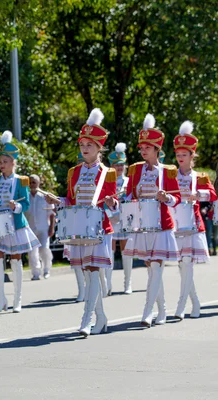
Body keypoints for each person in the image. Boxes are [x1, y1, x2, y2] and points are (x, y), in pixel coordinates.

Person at [46, 109, 117, 337]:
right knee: (87, 272)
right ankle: (102, 317)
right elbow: (70, 199)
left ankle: (86, 319)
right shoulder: (73, 172)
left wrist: (110, 202)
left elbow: (114, 204)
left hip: (98, 228)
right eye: (82, 144)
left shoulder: (108, 173)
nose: (84, 148)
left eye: (89, 144)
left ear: (99, 147)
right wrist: (58, 200)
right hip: (78, 227)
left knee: (93, 270)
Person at [123, 114, 180, 327]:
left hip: (161, 225)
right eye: (141, 147)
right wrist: (123, 200)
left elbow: (177, 199)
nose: (143, 150)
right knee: (151, 267)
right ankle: (163, 310)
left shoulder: (168, 171)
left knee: (156, 267)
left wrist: (167, 197)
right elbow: (129, 195)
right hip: (141, 226)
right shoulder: (135, 169)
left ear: (157, 149)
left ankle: (147, 312)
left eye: (147, 147)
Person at [172, 121, 217, 320]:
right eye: (178, 155)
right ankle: (195, 302)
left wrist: (197, 194)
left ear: (192, 156)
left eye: (184, 155)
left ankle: (181, 305)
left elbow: (213, 195)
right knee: (182, 266)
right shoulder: (170, 176)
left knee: (187, 264)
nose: (180, 158)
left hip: (192, 225)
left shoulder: (200, 177)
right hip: (175, 225)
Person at [0, 131, 41, 313]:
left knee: (16, 259)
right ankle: (1, 299)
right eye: (0, 162)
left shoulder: (21, 181)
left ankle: (17, 299)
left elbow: (26, 203)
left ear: (13, 162)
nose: (2, 165)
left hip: (15, 224)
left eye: (5, 162)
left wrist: (16, 207)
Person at [107, 142, 133, 295]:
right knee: (110, 248)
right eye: (116, 165)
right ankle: (108, 283)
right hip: (111, 218)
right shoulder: (107, 181)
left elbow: (132, 199)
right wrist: (111, 216)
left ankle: (127, 283)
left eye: (121, 165)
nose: (119, 168)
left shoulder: (129, 181)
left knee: (126, 249)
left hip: (126, 218)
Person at [25, 174, 55, 280]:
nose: (32, 184)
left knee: (44, 250)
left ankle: (46, 270)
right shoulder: (25, 196)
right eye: (30, 182)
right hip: (30, 228)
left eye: (34, 182)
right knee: (32, 252)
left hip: (44, 229)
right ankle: (35, 273)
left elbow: (52, 213)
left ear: (39, 183)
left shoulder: (45, 196)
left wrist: (52, 227)